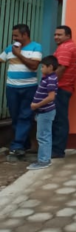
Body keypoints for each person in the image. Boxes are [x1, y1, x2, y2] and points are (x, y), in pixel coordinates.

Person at [0, 24, 43, 162]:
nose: (14, 38)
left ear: (25, 35)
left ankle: (17, 145)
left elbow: (34, 66)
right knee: (15, 117)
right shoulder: (10, 49)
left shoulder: (36, 47)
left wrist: (18, 54)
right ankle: (23, 145)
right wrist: (13, 52)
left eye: (16, 35)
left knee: (25, 116)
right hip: (12, 88)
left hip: (29, 88)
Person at [52, 25, 76, 159]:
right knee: (59, 119)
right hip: (64, 88)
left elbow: (61, 68)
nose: (56, 37)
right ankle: (56, 149)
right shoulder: (67, 46)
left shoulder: (65, 48)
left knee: (59, 120)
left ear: (68, 36)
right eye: (55, 34)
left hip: (61, 87)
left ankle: (57, 150)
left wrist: (50, 85)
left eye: (59, 35)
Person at [28, 56, 59, 170]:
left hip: (45, 112)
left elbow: (51, 97)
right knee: (44, 135)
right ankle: (44, 159)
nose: (41, 69)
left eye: (43, 67)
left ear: (50, 67)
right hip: (43, 112)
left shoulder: (51, 79)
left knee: (43, 136)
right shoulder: (48, 78)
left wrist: (37, 105)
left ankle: (43, 161)